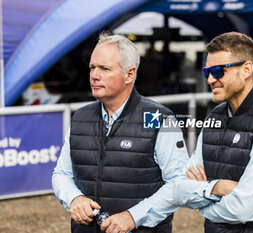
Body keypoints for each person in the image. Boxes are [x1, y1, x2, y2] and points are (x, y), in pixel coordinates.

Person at [52, 33, 189, 233]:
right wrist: (74, 198)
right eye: (92, 67)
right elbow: (62, 173)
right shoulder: (80, 117)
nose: (94, 75)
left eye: (105, 68)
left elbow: (179, 183)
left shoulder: (161, 118)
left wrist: (134, 217)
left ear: (129, 74)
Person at [174, 31, 253, 233]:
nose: (210, 79)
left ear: (246, 69)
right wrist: (218, 188)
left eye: (218, 71)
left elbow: (243, 210)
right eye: (207, 72)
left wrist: (202, 203)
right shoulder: (213, 117)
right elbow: (179, 190)